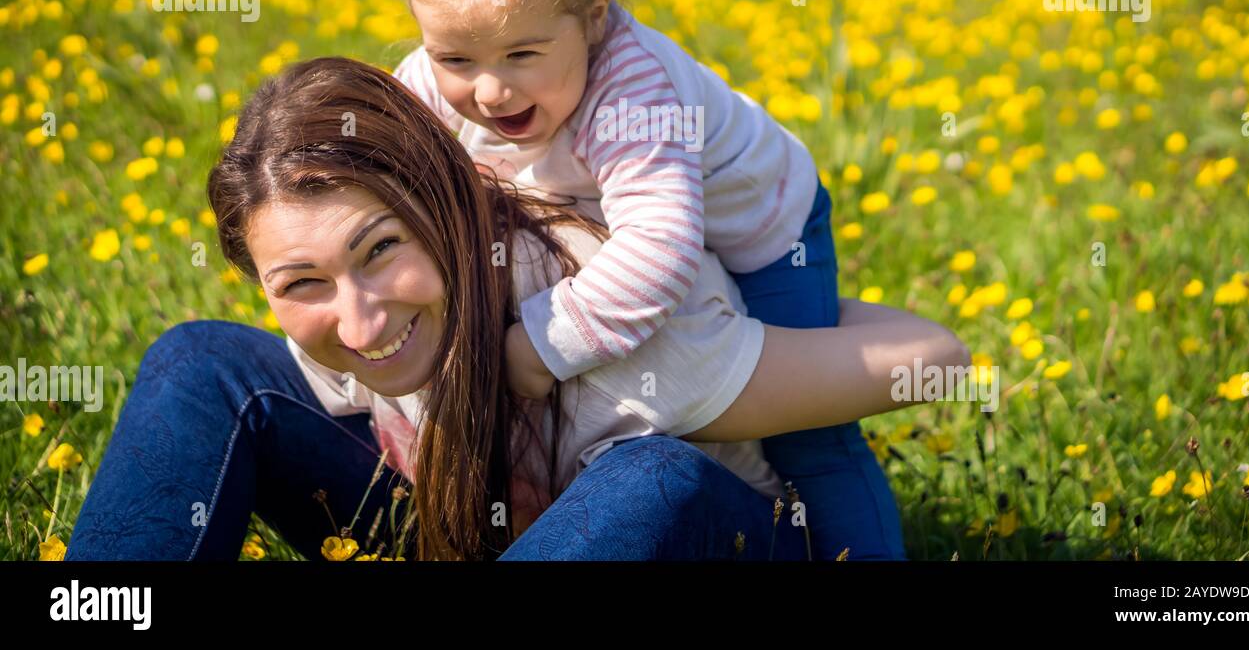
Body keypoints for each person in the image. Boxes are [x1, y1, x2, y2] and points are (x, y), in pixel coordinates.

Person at [68, 57, 970, 561]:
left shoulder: (621, 324)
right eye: (301, 284)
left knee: (648, 480)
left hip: (699, 547)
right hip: (474, 534)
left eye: (381, 250)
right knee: (198, 363)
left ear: (449, 203)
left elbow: (938, 357)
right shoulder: (351, 322)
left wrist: (753, 300)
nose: (361, 325)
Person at [398, 0, 900, 558]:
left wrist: (537, 346)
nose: (489, 91)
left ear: (596, 18)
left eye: (523, 56)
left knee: (808, 435)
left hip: (765, 234)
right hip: (618, 205)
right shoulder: (430, 81)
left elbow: (660, 255)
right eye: (456, 59)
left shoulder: (632, 92)